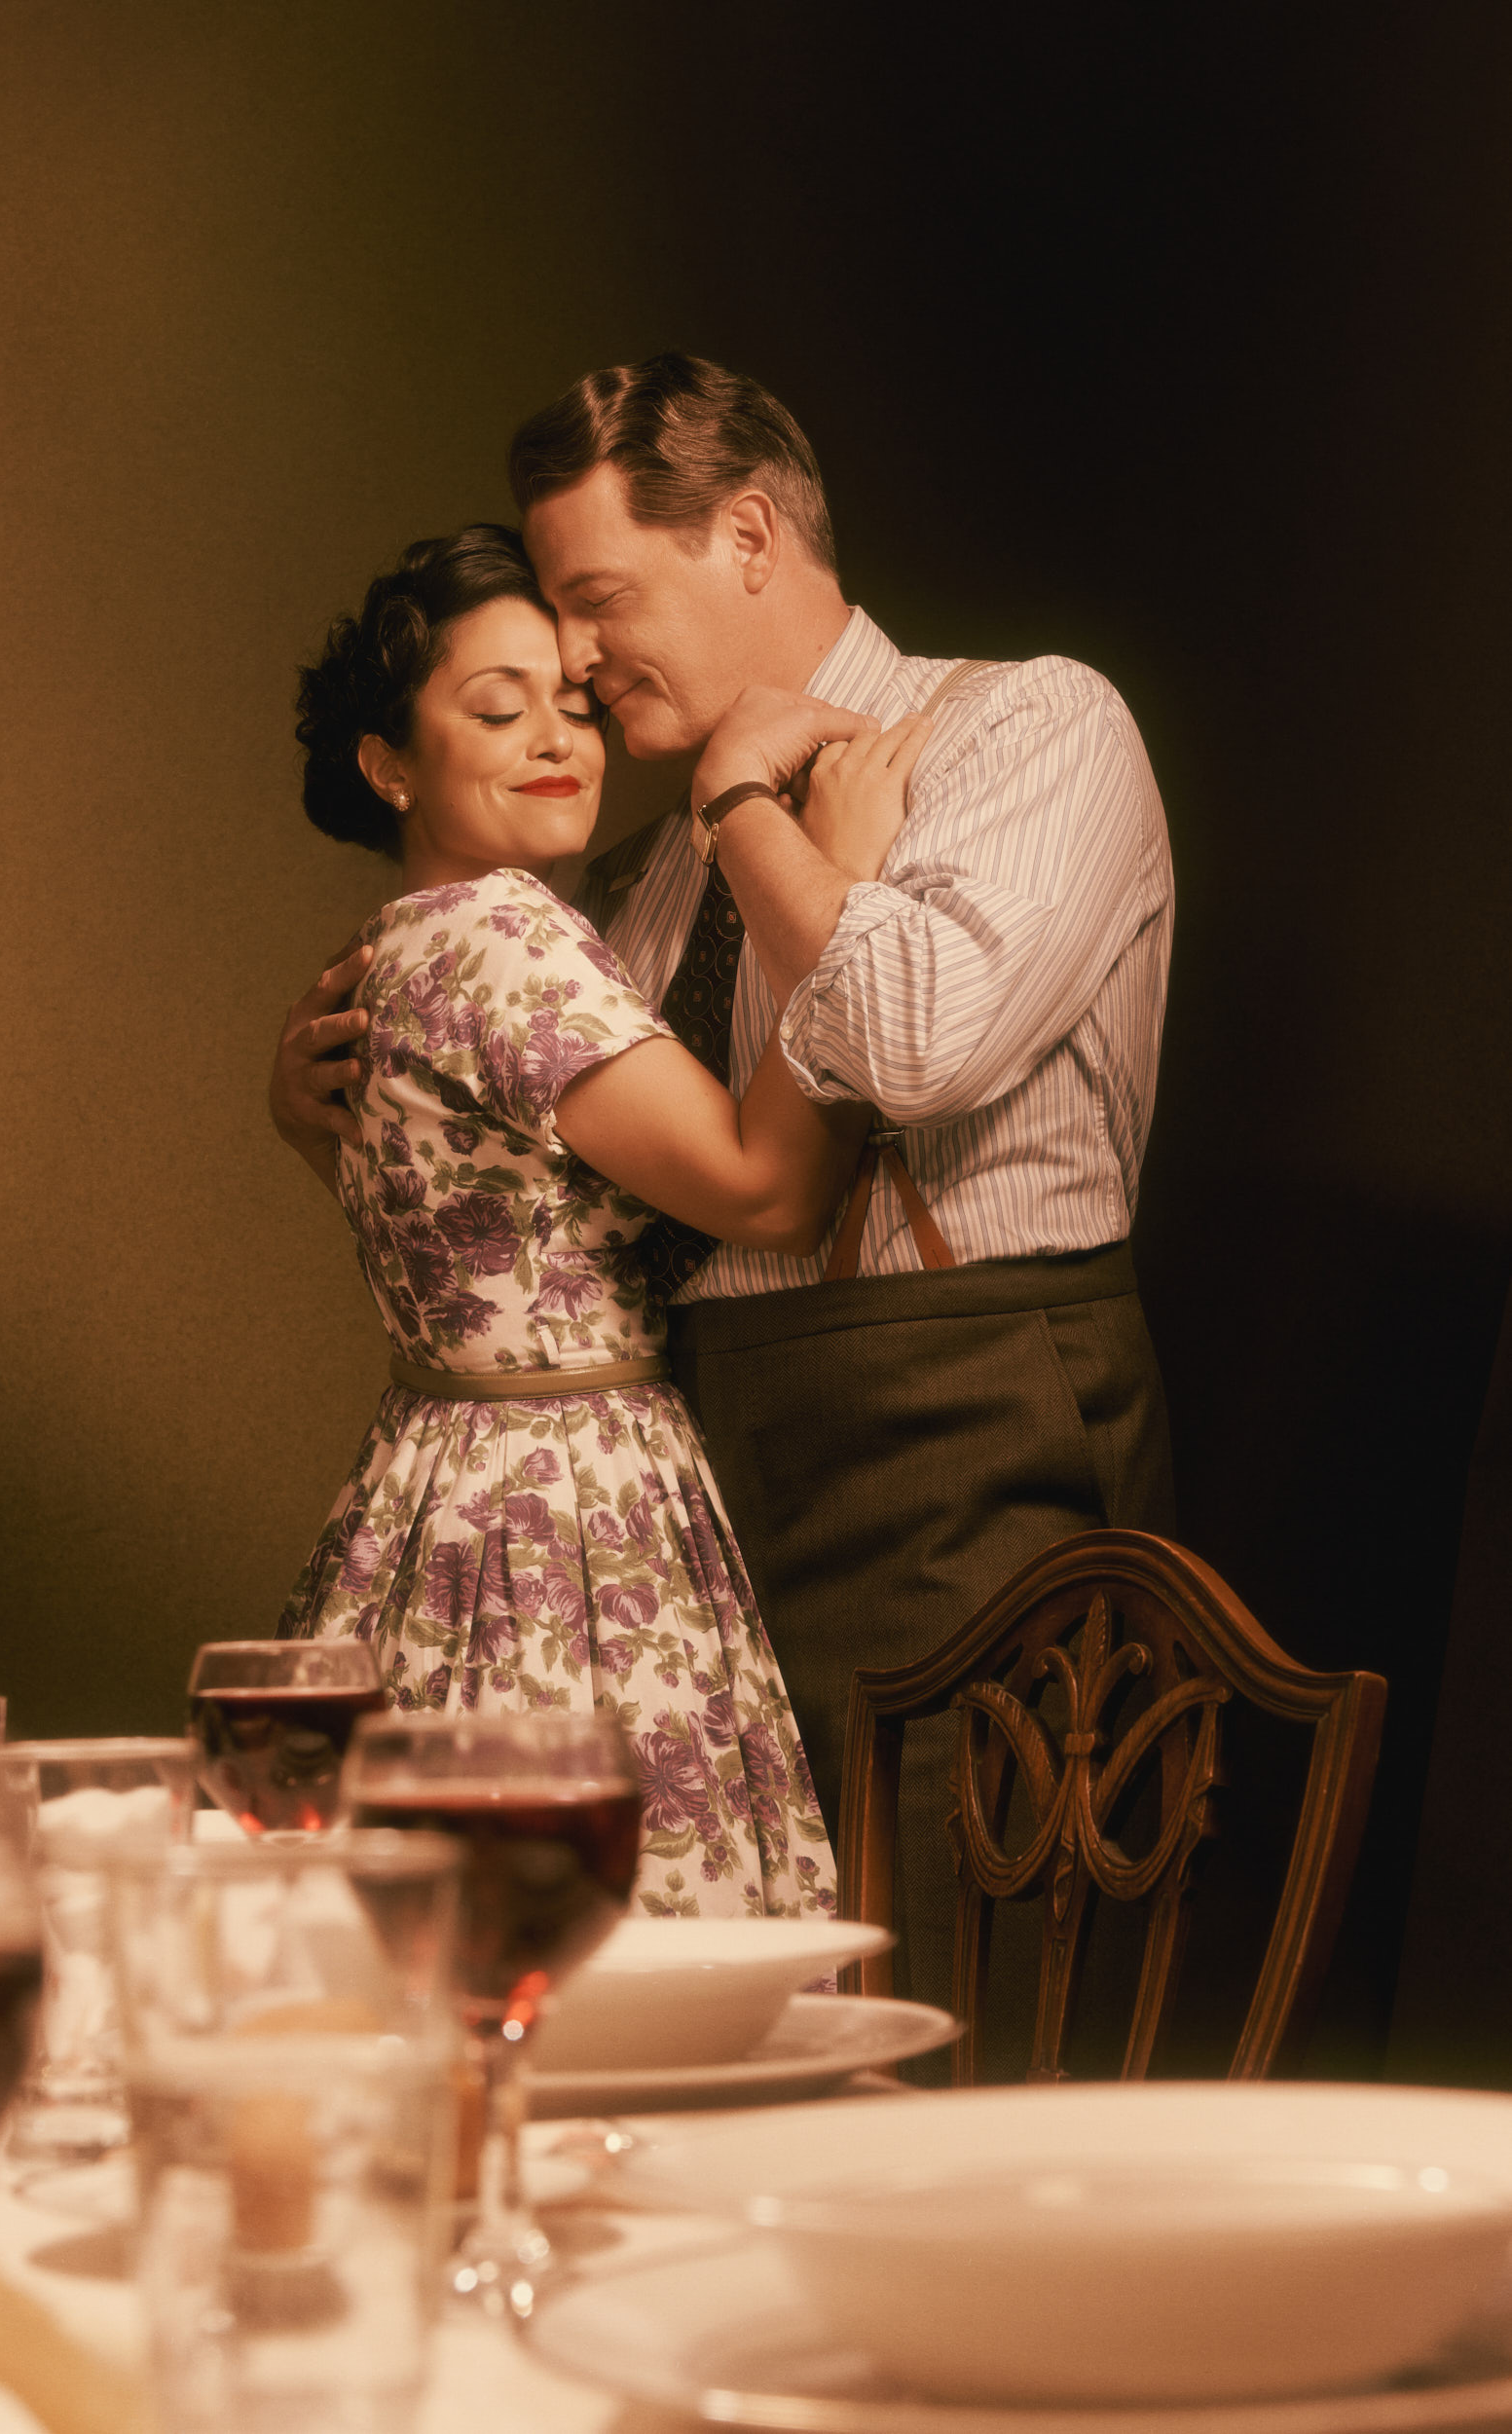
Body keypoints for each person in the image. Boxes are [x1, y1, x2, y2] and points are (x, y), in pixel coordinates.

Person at [274, 356, 1176, 2024]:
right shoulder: (625, 869)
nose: (584, 660)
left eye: (600, 599)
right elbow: (554, 1160)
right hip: (695, 1482)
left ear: (750, 535)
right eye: (552, 619)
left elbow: (908, 1045)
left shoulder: (1029, 725)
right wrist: (326, 1091)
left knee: (939, 2018)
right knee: (713, 2017)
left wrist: (756, 810)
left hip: (954, 1437)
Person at [277, 520, 929, 1926]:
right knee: (602, 1959)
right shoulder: (509, 938)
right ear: (389, 762)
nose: (557, 735)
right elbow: (772, 1191)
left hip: (425, 1490)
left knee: (406, 1951)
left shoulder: (389, 951)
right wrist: (843, 886)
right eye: (496, 707)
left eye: (571, 700)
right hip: (564, 1509)